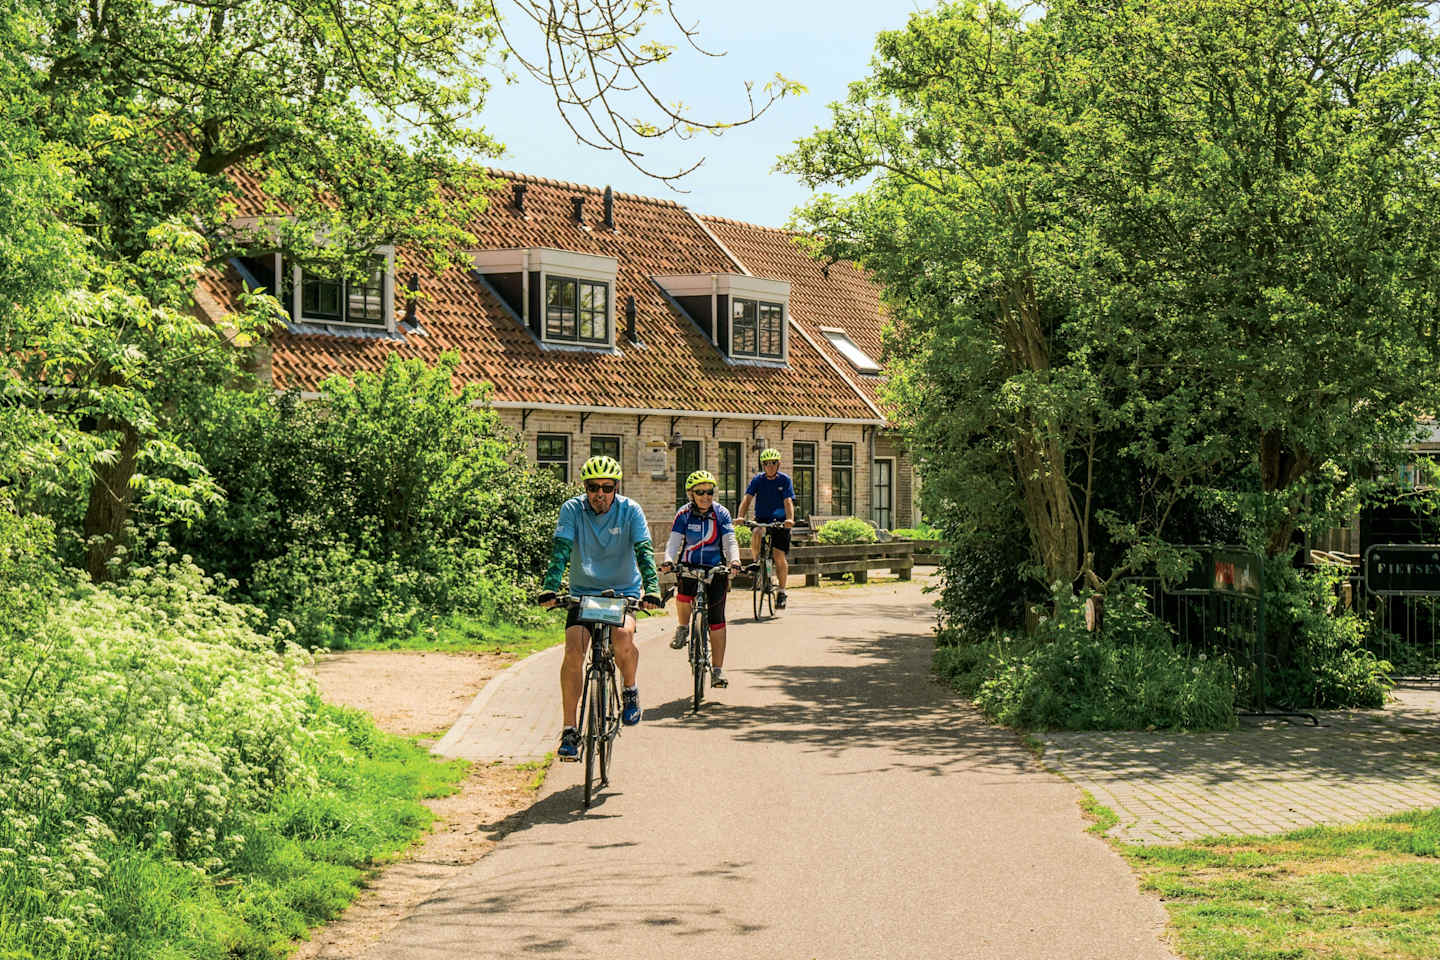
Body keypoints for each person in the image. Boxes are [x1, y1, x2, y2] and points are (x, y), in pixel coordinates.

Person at [537, 455, 664, 761]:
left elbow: (644, 552)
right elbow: (561, 550)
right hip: (584, 593)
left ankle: (630, 689)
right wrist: (551, 586)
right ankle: (569, 730)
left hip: (622, 592)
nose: (600, 494)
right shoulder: (572, 509)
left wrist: (653, 589)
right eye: (593, 487)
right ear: (585, 487)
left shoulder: (630, 511)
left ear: (616, 488)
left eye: (607, 488)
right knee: (573, 651)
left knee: (623, 638)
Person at [661, 469, 743, 688]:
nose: (706, 496)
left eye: (709, 492)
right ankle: (683, 627)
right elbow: (674, 542)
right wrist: (669, 560)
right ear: (691, 494)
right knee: (683, 596)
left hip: (715, 568)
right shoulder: (684, 514)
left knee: (717, 621)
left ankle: (717, 670)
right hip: (689, 565)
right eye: (700, 492)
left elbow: (730, 541)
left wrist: (734, 561)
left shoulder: (721, 513)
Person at [736, 447, 796, 609]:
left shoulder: (784, 480)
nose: (770, 466)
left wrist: (790, 519)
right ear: (763, 465)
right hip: (762, 519)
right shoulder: (758, 480)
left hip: (780, 522)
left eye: (773, 463)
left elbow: (788, 502)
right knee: (756, 531)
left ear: (779, 464)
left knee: (778, 555)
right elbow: (747, 499)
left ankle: (782, 592)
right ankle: (757, 563)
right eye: (766, 463)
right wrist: (741, 516)